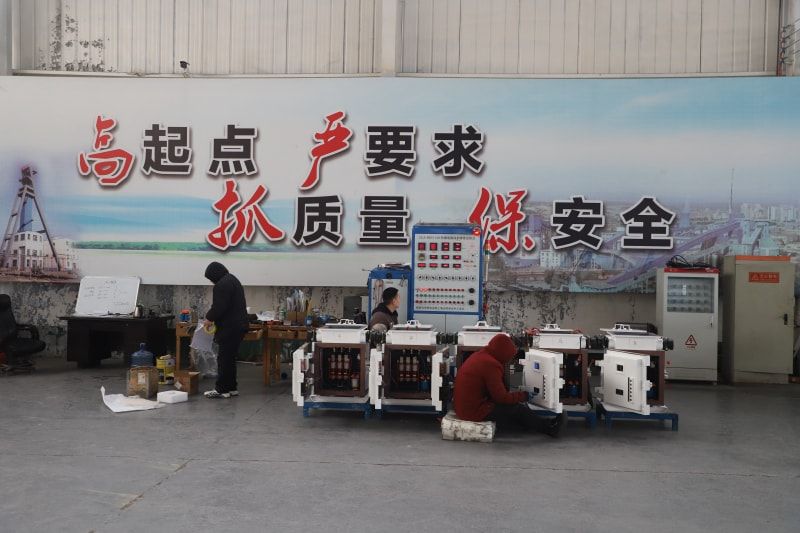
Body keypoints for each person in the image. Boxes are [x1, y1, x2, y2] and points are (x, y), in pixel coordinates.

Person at [453, 333, 564, 437]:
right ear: (504, 354)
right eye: (510, 357)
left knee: (514, 404)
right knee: (516, 409)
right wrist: (524, 395)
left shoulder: (482, 355)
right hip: (473, 411)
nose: (510, 360)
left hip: (463, 407)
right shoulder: (491, 364)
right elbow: (501, 398)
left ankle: (533, 424)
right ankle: (550, 429)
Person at [203, 261, 248, 399]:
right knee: (230, 358)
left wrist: (209, 318)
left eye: (211, 278)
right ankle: (231, 387)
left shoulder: (221, 285)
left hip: (229, 327)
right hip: (239, 326)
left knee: (223, 359)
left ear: (214, 274)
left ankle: (221, 389)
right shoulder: (233, 280)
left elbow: (219, 307)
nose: (211, 281)